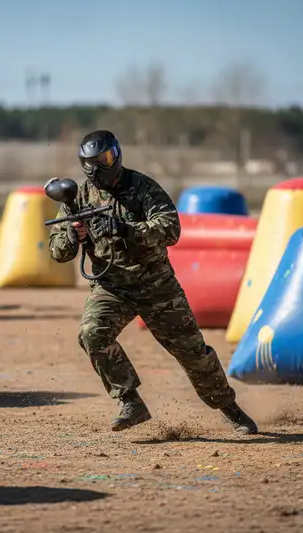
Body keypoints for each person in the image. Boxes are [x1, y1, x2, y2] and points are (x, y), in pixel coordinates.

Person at [47, 129, 258, 434]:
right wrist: (72, 235)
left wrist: (125, 229)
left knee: (193, 354)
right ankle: (130, 401)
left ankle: (229, 407)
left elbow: (171, 230)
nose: (102, 166)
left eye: (107, 157)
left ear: (116, 155)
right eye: (95, 161)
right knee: (92, 333)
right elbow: (57, 252)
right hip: (112, 287)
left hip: (157, 285)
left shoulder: (142, 187)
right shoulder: (77, 198)